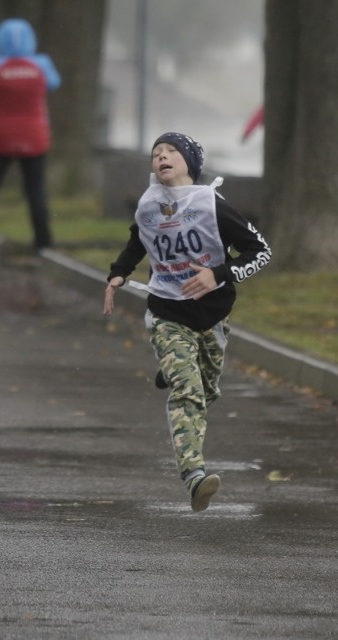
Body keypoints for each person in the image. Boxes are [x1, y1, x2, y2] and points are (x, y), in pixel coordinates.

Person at [102, 132, 272, 512]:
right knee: (188, 391)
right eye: (155, 153)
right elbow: (137, 240)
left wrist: (219, 274)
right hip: (167, 310)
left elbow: (260, 251)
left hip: (212, 313)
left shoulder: (211, 202)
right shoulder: (149, 204)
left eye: (171, 151)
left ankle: (174, 369)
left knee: (207, 390)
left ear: (190, 162)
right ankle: (194, 476)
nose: (161, 157)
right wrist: (118, 273)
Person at [0, 18, 61, 258]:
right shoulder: (42, 64)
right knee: (36, 191)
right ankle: (44, 244)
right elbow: (54, 83)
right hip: (34, 137)